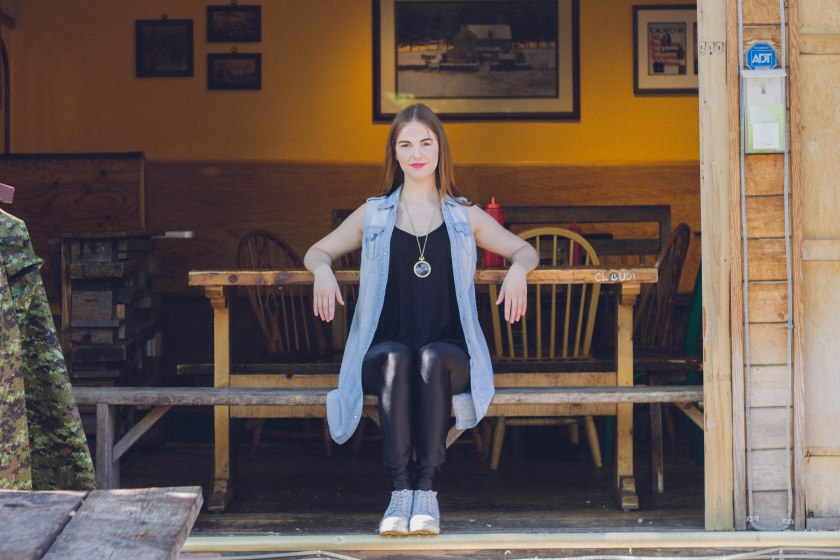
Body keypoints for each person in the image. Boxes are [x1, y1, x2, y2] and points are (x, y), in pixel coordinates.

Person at [304, 103, 538, 537]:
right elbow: (317, 251)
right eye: (406, 144)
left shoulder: (463, 215)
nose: (416, 153)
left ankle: (426, 493)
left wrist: (519, 270)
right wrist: (321, 270)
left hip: (448, 354)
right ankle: (399, 493)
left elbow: (524, 250)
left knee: (431, 356)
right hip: (383, 354)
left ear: (440, 149)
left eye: (426, 143)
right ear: (394, 153)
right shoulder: (374, 214)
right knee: (397, 357)